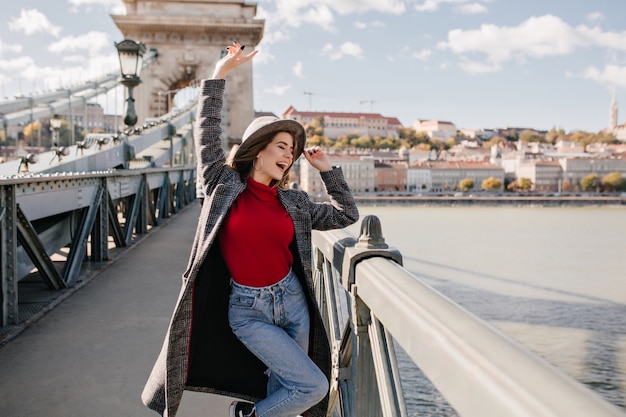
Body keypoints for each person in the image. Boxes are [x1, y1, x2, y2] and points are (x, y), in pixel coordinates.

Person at [141, 42, 359, 417]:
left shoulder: (295, 203)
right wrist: (220, 74)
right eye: (281, 146)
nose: (288, 155)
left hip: (293, 303)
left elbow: (346, 214)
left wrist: (327, 170)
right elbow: (207, 132)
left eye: (292, 150)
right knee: (313, 386)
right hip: (248, 310)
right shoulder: (221, 185)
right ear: (258, 150)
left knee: (285, 388)